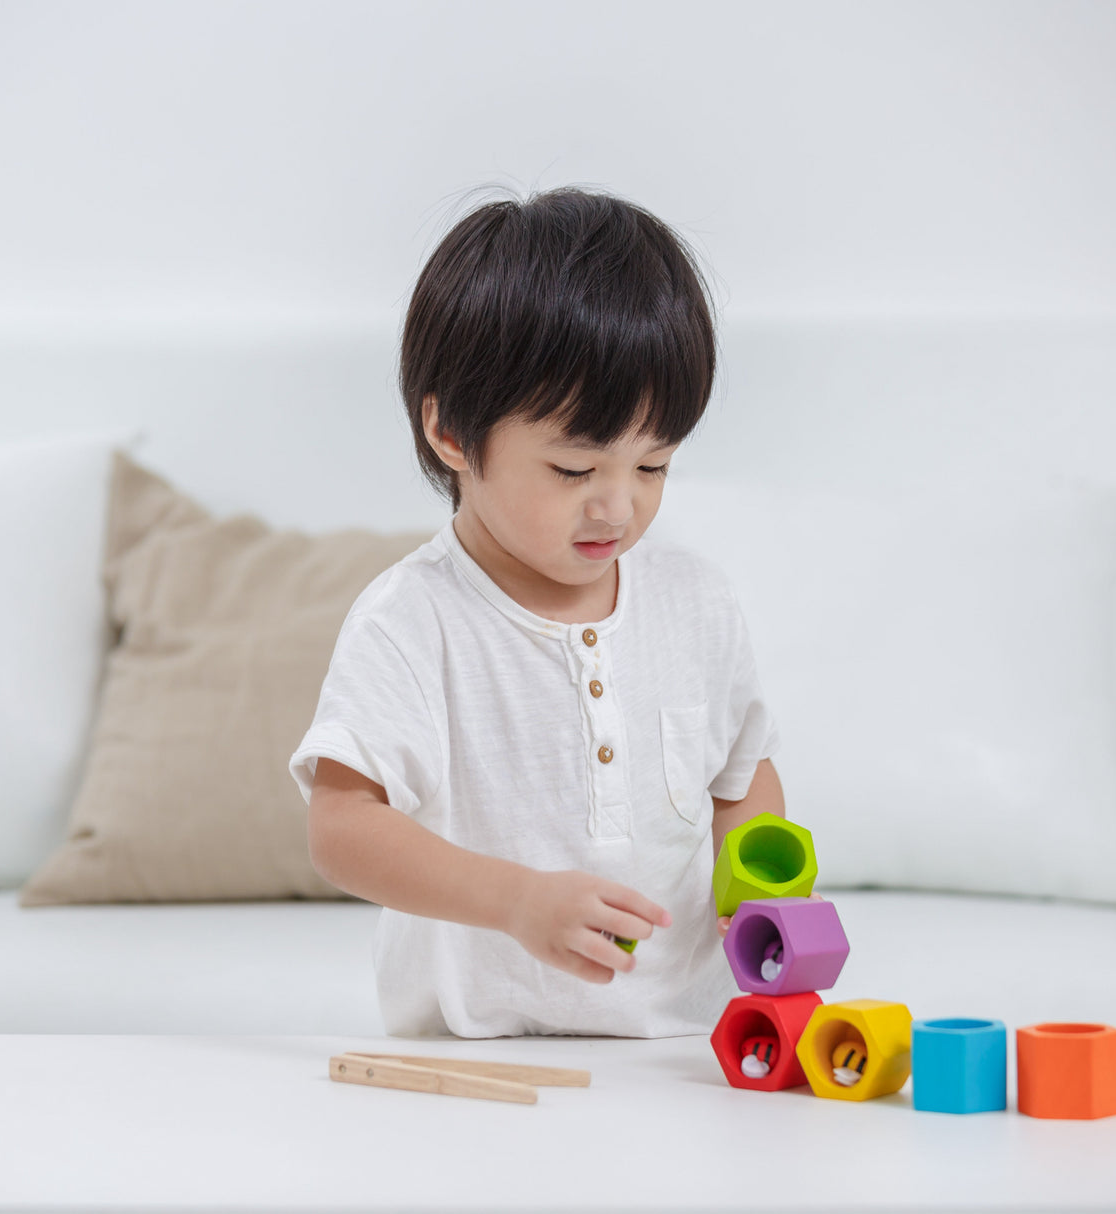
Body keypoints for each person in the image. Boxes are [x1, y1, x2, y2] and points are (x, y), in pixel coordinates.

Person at [289, 187, 783, 1038]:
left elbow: (740, 782)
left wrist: (763, 899)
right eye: (573, 471)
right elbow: (341, 828)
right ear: (452, 435)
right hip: (478, 1059)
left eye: (654, 466)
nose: (618, 509)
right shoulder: (414, 621)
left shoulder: (698, 602)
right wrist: (516, 901)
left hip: (686, 1048)